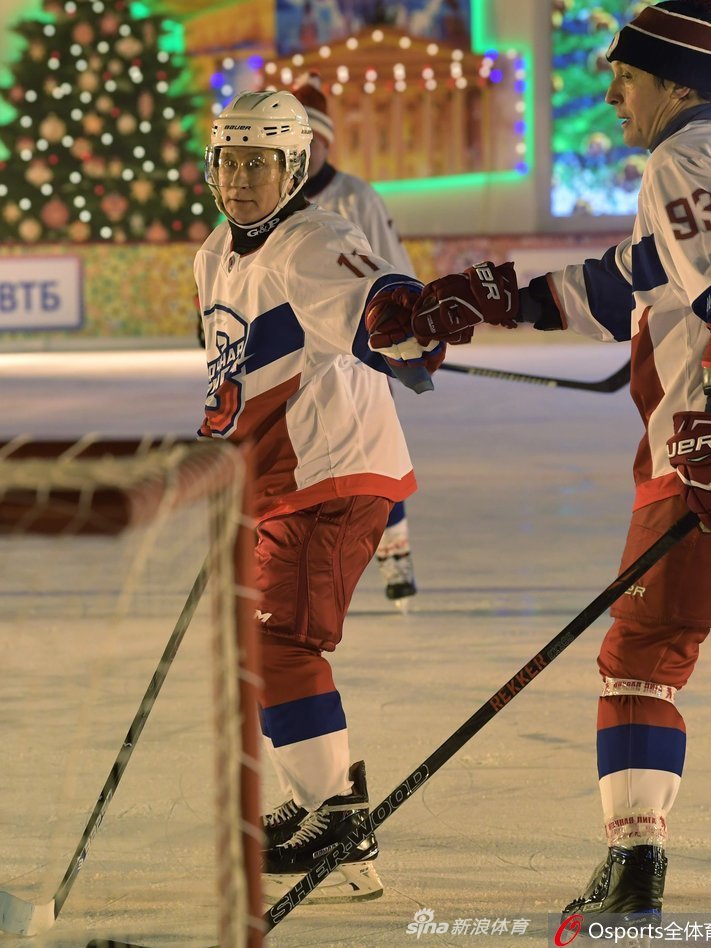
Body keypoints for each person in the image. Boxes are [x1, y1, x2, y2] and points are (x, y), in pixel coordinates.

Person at [372, 0, 711, 920]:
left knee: (642, 661)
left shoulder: (683, 158)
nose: (612, 90)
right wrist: (472, 298)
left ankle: (631, 872)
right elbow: (625, 280)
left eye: (626, 75)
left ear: (672, 82)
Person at [195, 89, 443, 901]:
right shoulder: (212, 257)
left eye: (259, 163)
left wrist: (398, 326)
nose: (240, 178)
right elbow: (233, 377)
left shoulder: (314, 238)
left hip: (332, 475)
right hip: (275, 480)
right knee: (254, 644)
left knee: (279, 647)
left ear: (293, 167)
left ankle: (334, 814)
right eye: (229, 160)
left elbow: (375, 290)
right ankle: (330, 818)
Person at [291, 70, 420, 610]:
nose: (303, 153)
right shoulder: (272, 203)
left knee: (375, 454)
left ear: (324, 141)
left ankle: (396, 556)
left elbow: (393, 263)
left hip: (360, 352)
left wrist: (412, 325)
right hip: (295, 360)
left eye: (311, 142)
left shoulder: (356, 196)